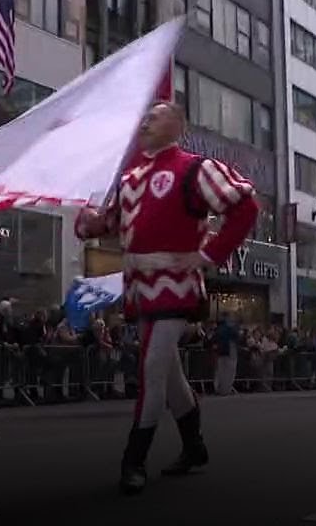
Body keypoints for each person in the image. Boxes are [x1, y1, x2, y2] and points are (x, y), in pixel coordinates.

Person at [75, 101, 260, 496]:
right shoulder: (129, 176)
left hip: (176, 282)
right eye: (144, 116)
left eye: (155, 116)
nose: (144, 121)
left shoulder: (194, 168)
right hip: (140, 284)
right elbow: (103, 223)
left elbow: (245, 206)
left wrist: (209, 255)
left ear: (177, 125)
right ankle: (194, 448)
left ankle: (134, 459)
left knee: (153, 363)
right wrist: (90, 219)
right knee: (167, 370)